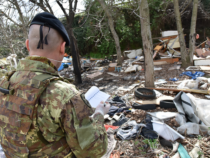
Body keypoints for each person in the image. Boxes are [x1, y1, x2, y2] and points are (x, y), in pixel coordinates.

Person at [0, 12, 110, 158]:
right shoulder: (65, 94)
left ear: (27, 45)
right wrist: (99, 115)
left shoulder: (4, 84)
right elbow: (92, 151)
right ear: (62, 48)